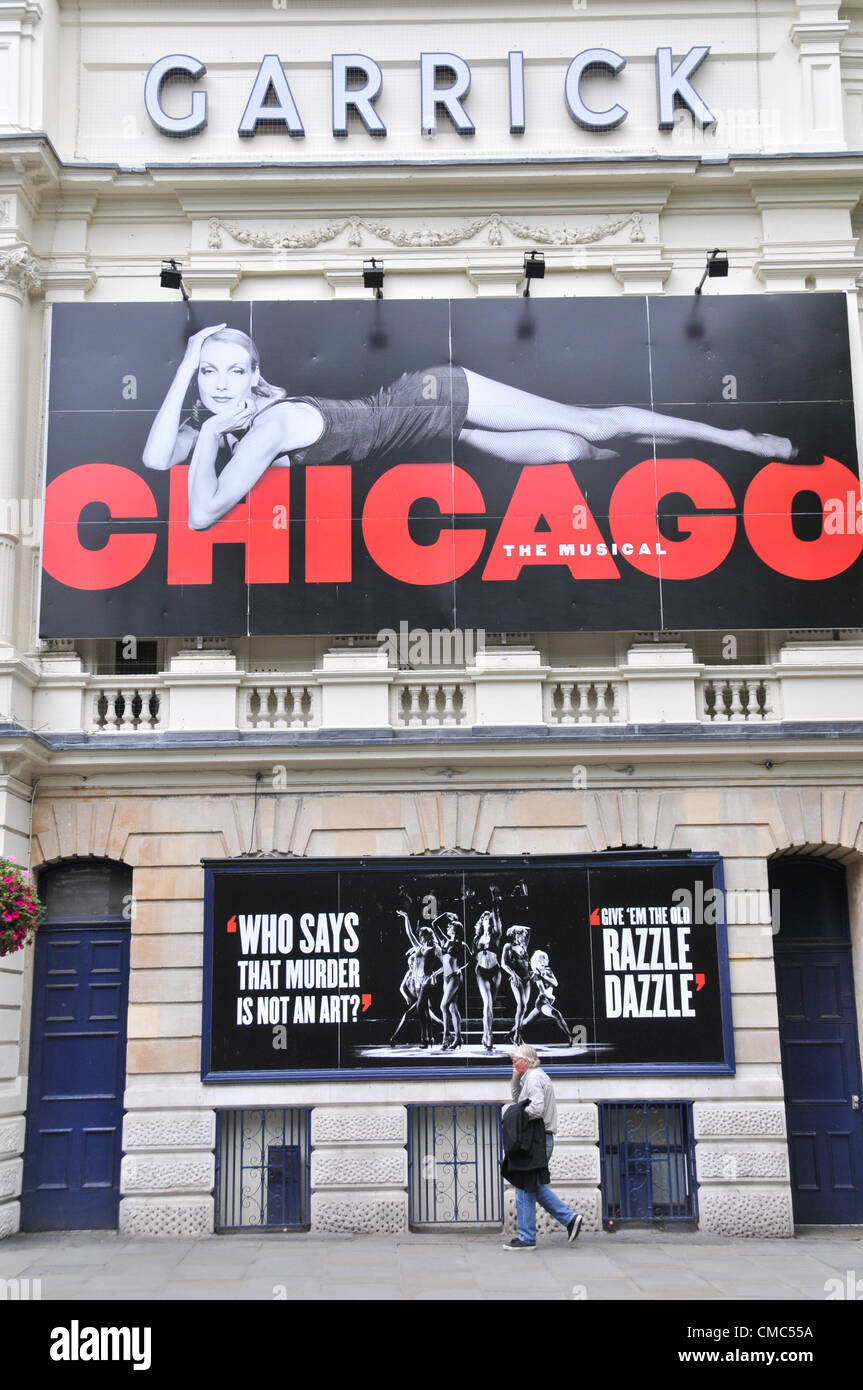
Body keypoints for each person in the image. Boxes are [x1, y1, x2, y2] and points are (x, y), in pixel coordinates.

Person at [144, 323, 799, 531]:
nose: (219, 384)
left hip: (433, 399)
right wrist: (181, 370)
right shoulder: (226, 421)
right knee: (571, 449)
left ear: (253, 372)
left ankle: (737, 441)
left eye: (232, 371)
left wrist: (203, 434)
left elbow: (202, 513)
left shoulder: (261, 427)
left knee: (595, 424)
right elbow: (154, 460)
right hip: (432, 435)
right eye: (208, 373)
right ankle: (634, 466)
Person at [503, 1043, 583, 1250]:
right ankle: (570, 1219)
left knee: (523, 1185)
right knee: (531, 1185)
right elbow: (517, 1100)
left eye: (516, 1059)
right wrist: (514, 1079)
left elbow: (536, 1108)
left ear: (527, 1061)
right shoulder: (528, 1078)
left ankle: (527, 1237)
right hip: (538, 1139)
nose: (513, 1061)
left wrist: (517, 1120)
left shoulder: (535, 1077)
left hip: (537, 1140)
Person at [501, 925, 531, 1045]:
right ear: (516, 935)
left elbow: (529, 930)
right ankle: (517, 1035)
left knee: (524, 1008)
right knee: (522, 1005)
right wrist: (513, 974)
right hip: (516, 979)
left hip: (527, 979)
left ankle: (513, 1034)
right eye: (521, 935)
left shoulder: (524, 946)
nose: (524, 937)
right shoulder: (508, 946)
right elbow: (503, 963)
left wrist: (519, 928)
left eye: (524, 935)